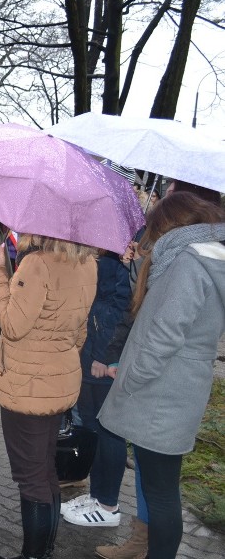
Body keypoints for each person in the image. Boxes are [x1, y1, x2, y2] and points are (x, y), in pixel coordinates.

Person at [98, 193, 225, 559]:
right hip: (181, 386)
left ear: (170, 226)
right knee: (162, 488)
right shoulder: (207, 257)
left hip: (160, 391)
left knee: (162, 493)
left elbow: (164, 333)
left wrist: (133, 378)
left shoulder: (189, 262)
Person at [0, 233, 97, 559]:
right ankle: (44, 550)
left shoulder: (37, 263)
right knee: (45, 470)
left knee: (32, 477)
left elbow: (12, 324)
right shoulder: (87, 261)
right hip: (58, 381)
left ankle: (32, 555)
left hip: (27, 388)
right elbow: (80, 331)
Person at [59, 251, 132, 528]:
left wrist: (105, 354)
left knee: (108, 430)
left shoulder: (126, 245)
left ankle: (108, 505)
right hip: (90, 346)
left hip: (101, 352)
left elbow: (123, 304)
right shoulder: (107, 246)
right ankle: (97, 495)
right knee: (93, 425)